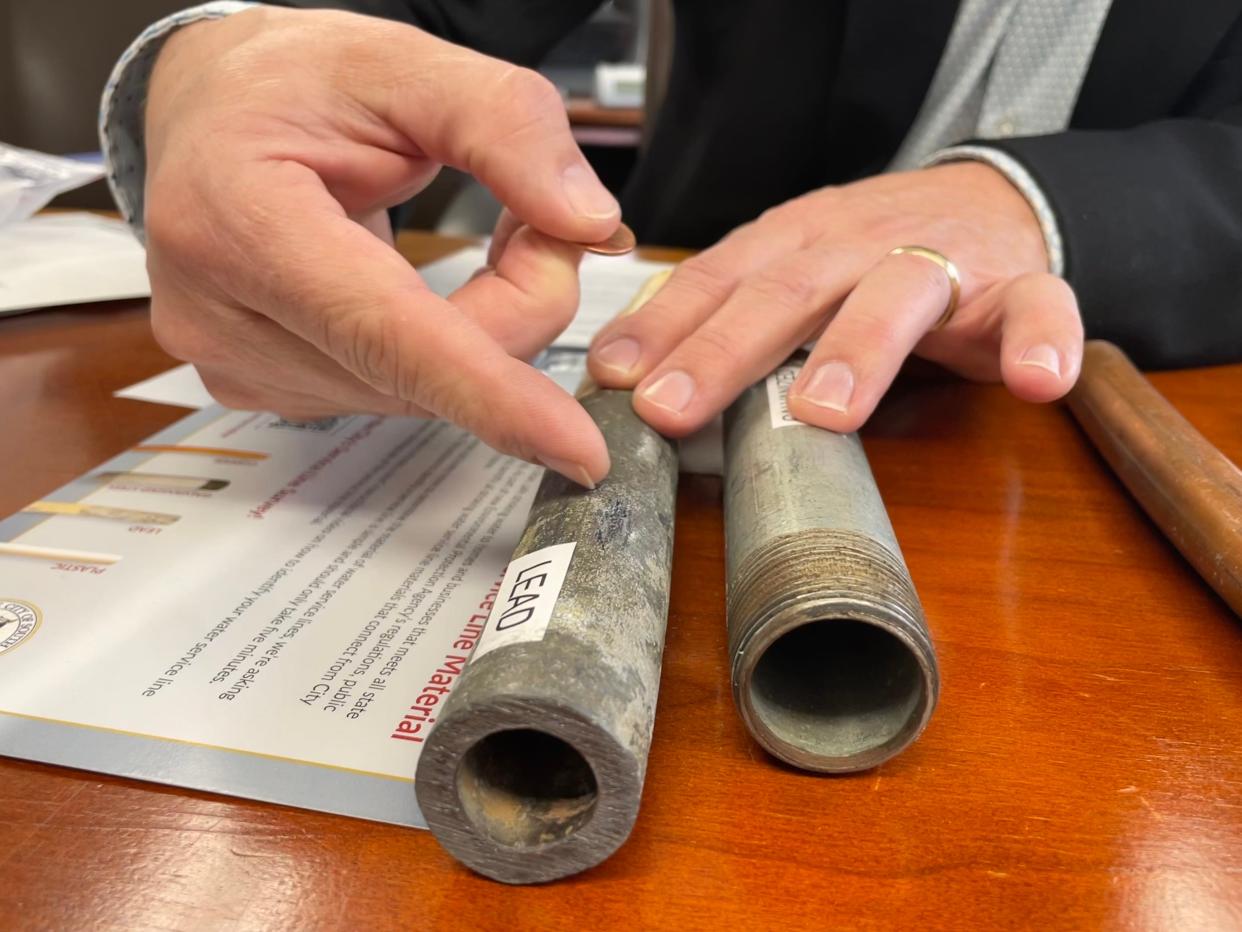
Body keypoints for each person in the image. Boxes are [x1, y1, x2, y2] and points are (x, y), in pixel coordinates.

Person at [101, 1, 1242, 488]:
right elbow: (410, 13)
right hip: (665, 330)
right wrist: (229, 55)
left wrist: (1034, 201)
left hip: (1107, 408)